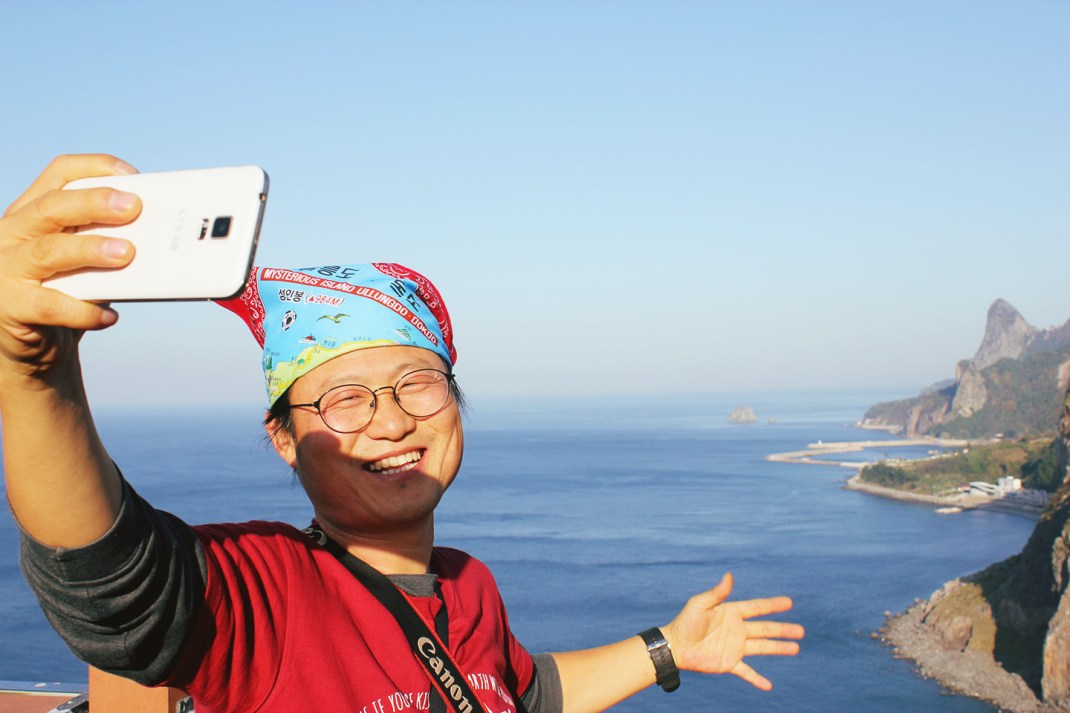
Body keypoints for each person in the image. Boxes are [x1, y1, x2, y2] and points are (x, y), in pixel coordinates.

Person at [0, 154, 804, 713]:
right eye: (343, 399)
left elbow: (520, 692)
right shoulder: (268, 594)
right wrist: (32, 371)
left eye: (417, 382)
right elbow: (113, 583)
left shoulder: (467, 586)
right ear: (285, 439)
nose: (391, 420)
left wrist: (668, 647)